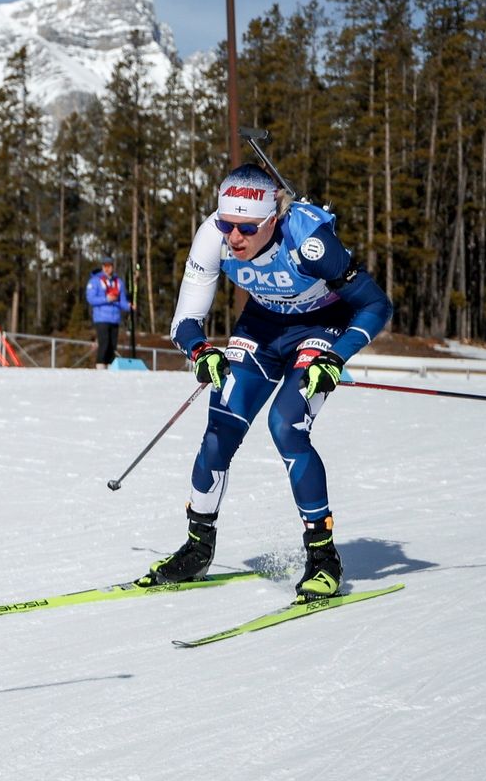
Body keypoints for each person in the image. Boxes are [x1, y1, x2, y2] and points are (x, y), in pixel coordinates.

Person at [141, 163, 393, 600]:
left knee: (286, 424)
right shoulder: (212, 238)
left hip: (321, 326)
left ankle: (322, 557)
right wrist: (200, 350)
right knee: (221, 423)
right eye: (226, 224)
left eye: (246, 228)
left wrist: (335, 357)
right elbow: (186, 319)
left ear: (272, 220)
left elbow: (375, 305)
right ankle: (198, 547)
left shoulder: (310, 244)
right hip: (261, 327)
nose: (234, 237)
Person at [85, 256, 131, 367]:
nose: (107, 269)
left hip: (114, 319)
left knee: (112, 346)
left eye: (109, 266)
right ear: (102, 267)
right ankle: (100, 367)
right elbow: (91, 299)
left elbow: (122, 301)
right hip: (101, 318)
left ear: (113, 267)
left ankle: (111, 368)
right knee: (104, 344)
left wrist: (129, 306)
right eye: (105, 266)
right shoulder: (95, 281)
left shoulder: (118, 282)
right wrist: (106, 299)